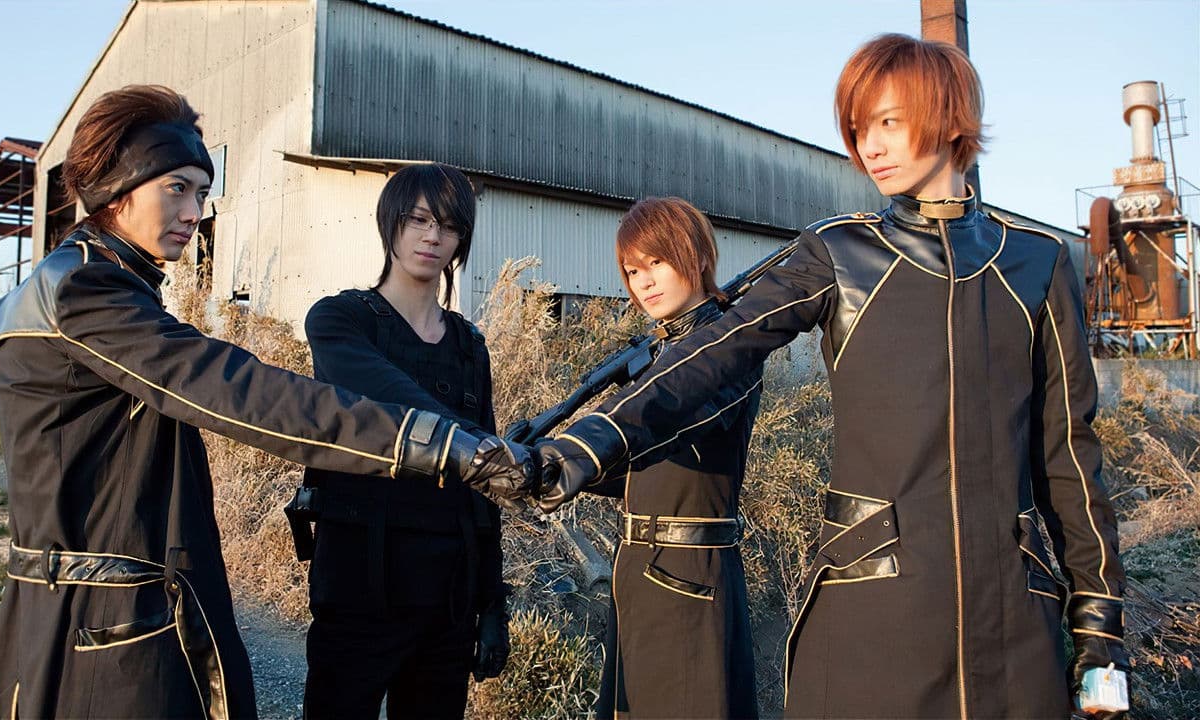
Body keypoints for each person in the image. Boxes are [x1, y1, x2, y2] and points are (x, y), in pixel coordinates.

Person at [506, 35, 1128, 719]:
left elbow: (1069, 458)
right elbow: (714, 350)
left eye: (888, 121)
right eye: (858, 129)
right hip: (872, 608)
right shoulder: (839, 250)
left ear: (950, 118)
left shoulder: (1037, 262)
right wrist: (582, 444)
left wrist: (1100, 634)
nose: (869, 146)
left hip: (1014, 619)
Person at [0, 85, 532, 720]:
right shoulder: (84, 291)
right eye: (177, 188)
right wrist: (451, 445)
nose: (194, 212)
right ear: (116, 189)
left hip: (122, 599)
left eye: (202, 193)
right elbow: (241, 390)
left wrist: (490, 595)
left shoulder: (106, 285)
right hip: (96, 616)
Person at [296, 163, 508, 719]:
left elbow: (483, 489)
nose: (432, 236)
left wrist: (491, 602)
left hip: (448, 595)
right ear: (389, 223)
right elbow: (384, 393)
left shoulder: (469, 346)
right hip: (360, 583)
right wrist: (471, 442)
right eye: (417, 220)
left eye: (448, 225)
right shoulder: (341, 320)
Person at [584, 197, 762, 719]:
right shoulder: (656, 353)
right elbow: (637, 468)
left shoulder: (728, 346)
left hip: (691, 574)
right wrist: (552, 468)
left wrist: (581, 452)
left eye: (657, 262)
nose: (644, 282)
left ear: (697, 256)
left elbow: (667, 428)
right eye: (632, 271)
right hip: (636, 569)